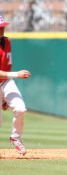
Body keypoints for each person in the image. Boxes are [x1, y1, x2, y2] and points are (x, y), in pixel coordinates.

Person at [0, 15, 31, 155]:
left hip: (6, 81)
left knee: (20, 108)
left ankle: (15, 138)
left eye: (3, 27)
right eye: (0, 27)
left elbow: (7, 65)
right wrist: (16, 75)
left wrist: (6, 98)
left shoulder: (7, 41)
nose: (2, 30)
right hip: (8, 77)